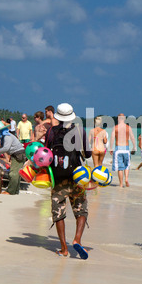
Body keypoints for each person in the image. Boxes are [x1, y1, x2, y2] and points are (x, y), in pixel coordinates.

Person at [44, 103, 92, 259]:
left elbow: (45, 153)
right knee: (81, 210)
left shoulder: (51, 131)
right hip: (77, 177)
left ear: (57, 116)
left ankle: (64, 248)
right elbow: (88, 154)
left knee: (59, 213)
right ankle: (77, 239)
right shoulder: (79, 131)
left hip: (57, 179)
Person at [0, 121, 25, 195]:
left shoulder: (7, 136)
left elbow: (6, 148)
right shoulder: (5, 136)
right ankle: (15, 190)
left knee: (13, 174)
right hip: (17, 154)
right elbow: (5, 148)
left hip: (18, 154)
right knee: (17, 173)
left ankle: (10, 191)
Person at [110, 113, 136, 187]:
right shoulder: (128, 127)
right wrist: (134, 147)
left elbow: (112, 138)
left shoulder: (115, 127)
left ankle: (121, 184)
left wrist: (111, 148)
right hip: (126, 149)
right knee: (127, 166)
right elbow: (133, 138)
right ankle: (126, 179)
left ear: (118, 119)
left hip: (118, 148)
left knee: (120, 168)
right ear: (124, 119)